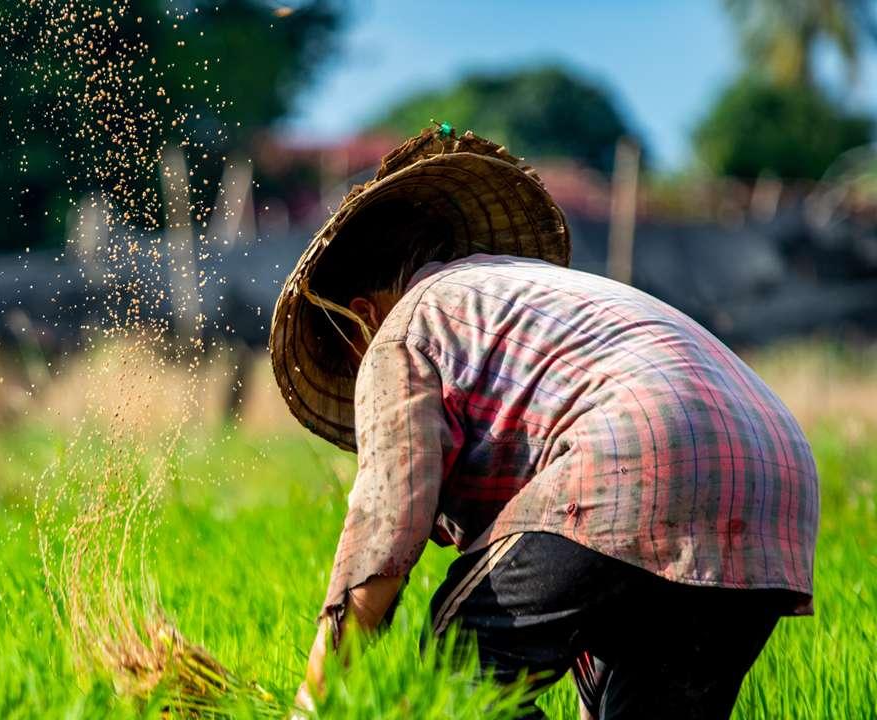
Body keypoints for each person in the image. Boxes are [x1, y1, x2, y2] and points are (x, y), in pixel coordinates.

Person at [270, 126, 819, 719]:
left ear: (361, 317)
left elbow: (386, 523)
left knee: (459, 663)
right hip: (776, 482)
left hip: (641, 448)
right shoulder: (535, 293)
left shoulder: (401, 328)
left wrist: (316, 697)